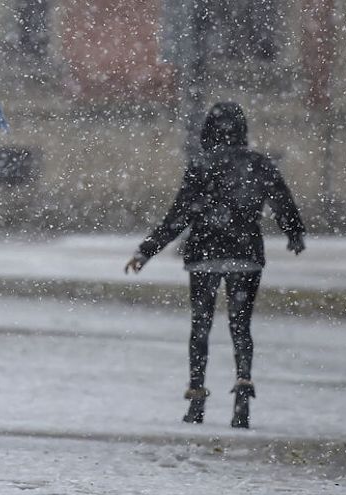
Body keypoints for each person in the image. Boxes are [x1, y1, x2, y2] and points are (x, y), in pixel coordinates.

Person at [124, 102, 305, 428]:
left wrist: (146, 251)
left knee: (201, 326)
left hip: (205, 254)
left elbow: (179, 214)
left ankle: (196, 398)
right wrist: (293, 233)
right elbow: (281, 199)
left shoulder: (201, 165)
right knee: (241, 325)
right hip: (245, 253)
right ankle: (243, 388)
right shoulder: (258, 164)